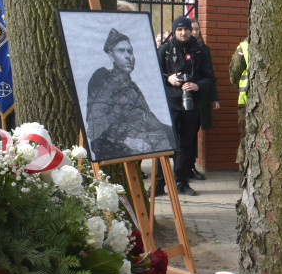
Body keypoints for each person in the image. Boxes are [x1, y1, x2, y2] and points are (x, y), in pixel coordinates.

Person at [86, 28, 175, 162]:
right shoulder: (103, 78)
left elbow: (146, 115)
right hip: (112, 143)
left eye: (130, 51)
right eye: (121, 51)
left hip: (136, 135)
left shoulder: (132, 86)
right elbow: (97, 121)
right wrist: (126, 140)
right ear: (111, 55)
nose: (128, 56)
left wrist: (168, 131)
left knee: (169, 135)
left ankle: (161, 179)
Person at [157, 16, 217, 196]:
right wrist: (168, 78)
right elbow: (153, 74)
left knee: (186, 145)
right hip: (170, 103)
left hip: (192, 104)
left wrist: (197, 85)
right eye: (179, 29)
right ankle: (159, 183)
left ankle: (181, 181)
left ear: (191, 31)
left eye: (186, 29)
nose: (183, 33)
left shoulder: (200, 51)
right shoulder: (165, 50)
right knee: (166, 144)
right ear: (174, 31)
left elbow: (210, 79)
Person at [187, 18, 221, 182]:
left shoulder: (204, 49)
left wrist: (214, 98)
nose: (194, 32)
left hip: (200, 97)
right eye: (191, 29)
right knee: (184, 134)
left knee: (194, 133)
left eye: (196, 29)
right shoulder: (177, 49)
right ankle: (182, 167)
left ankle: (190, 165)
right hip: (183, 98)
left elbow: (210, 75)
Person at [229, 36, 250, 167]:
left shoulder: (244, 46)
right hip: (247, 101)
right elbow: (234, 75)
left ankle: (244, 173)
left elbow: (234, 75)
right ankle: (243, 171)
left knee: (246, 136)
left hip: (246, 101)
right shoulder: (244, 47)